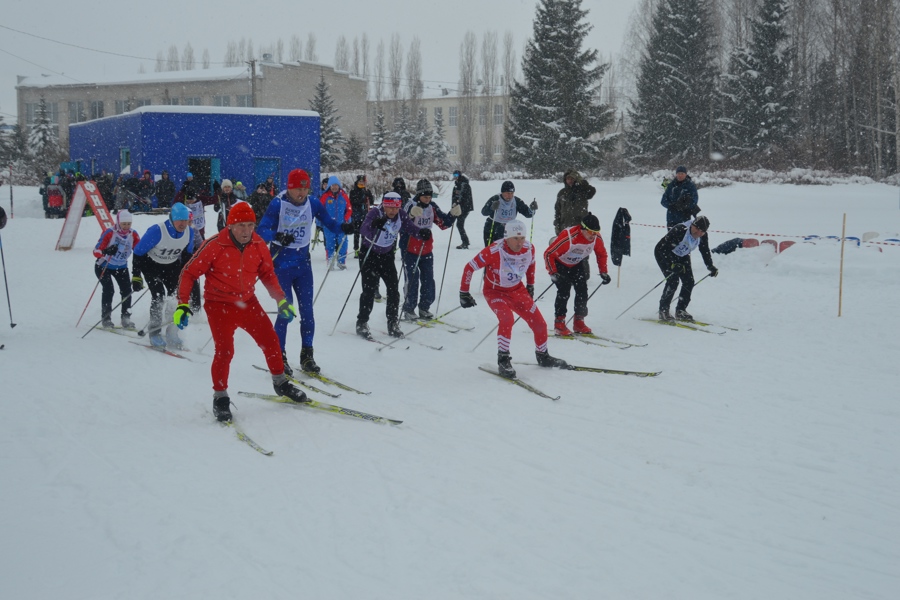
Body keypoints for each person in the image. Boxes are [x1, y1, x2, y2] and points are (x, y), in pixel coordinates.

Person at [174, 202, 307, 422]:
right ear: (231, 225)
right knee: (225, 351)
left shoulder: (258, 244)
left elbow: (267, 274)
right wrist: (182, 304)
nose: (246, 231)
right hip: (219, 305)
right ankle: (220, 397)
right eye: (241, 226)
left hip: (248, 302)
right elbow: (189, 273)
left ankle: (280, 383)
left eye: (250, 225)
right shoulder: (215, 245)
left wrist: (281, 301)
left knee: (271, 341)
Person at [257, 169, 355, 374]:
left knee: (307, 312)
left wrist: (343, 228)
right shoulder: (278, 203)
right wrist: (278, 236)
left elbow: (328, 222)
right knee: (286, 311)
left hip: (303, 266)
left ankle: (307, 355)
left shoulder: (313, 203)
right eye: (297, 189)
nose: (301, 193)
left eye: (305, 188)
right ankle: (279, 356)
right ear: (289, 187)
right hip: (281, 265)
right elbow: (261, 230)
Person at [460, 220, 568, 379]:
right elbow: (469, 267)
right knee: (507, 319)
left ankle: (543, 355)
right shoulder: (494, 250)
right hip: (495, 292)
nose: (519, 242)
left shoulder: (528, 248)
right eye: (515, 238)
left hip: (517, 290)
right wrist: (464, 293)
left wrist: (530, 285)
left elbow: (531, 265)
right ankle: (503, 359)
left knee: (539, 323)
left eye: (522, 238)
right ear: (506, 238)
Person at [355, 191, 427, 340]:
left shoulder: (401, 214)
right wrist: (375, 224)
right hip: (370, 254)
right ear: (384, 205)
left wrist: (422, 233)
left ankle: (392, 323)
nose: (393, 211)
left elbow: (410, 228)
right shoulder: (375, 212)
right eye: (390, 208)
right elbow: (363, 229)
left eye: (396, 207)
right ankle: (362, 322)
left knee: (393, 290)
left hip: (387, 256)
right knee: (369, 290)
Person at [131, 202, 196, 348]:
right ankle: (154, 332)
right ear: (172, 218)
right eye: (180, 220)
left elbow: (187, 255)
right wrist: (136, 276)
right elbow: (138, 253)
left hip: (171, 266)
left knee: (175, 297)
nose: (183, 224)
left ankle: (172, 332)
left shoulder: (189, 232)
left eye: (185, 220)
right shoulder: (157, 231)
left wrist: (188, 274)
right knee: (159, 296)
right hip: (151, 265)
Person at [400, 179, 460, 321]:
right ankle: (409, 308)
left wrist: (453, 214)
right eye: (425, 197)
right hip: (410, 249)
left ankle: (424, 307)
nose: (428, 199)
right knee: (412, 280)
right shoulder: (410, 205)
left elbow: (443, 223)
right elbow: (400, 224)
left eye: (430, 197)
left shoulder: (432, 206)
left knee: (428, 280)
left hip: (426, 249)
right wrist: (410, 216)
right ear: (419, 195)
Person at [544, 213, 611, 336]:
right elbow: (548, 254)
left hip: (576, 264)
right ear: (583, 229)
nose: (594, 235)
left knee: (582, 290)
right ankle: (559, 323)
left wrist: (603, 272)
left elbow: (601, 254)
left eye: (596, 232)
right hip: (560, 263)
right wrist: (553, 272)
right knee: (564, 291)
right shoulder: (569, 236)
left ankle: (579, 321)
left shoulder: (596, 238)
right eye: (591, 232)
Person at [654, 215, 718, 322]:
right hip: (663, 253)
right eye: (697, 229)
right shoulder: (680, 229)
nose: (698, 233)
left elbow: (705, 250)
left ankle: (681, 310)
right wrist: (673, 264)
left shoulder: (703, 235)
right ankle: (663, 310)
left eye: (702, 231)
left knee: (689, 281)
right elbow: (664, 248)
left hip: (682, 254)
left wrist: (710, 266)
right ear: (692, 225)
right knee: (673, 280)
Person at [92, 210, 141, 329]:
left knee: (127, 291)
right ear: (118, 222)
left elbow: (139, 250)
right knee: (109, 290)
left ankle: (126, 318)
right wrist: (106, 251)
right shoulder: (109, 233)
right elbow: (96, 251)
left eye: (129, 224)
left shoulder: (133, 234)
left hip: (121, 266)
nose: (126, 227)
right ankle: (106, 319)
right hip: (104, 266)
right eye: (124, 224)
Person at [480, 181, 537, 247]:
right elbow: (484, 212)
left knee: (507, 251)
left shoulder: (516, 201)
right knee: (492, 251)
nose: (509, 196)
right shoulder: (495, 198)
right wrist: (491, 207)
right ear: (502, 192)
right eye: (507, 193)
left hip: (509, 228)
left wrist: (532, 209)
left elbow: (528, 214)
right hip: (493, 226)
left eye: (511, 193)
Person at [318, 175, 352, 269]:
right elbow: (319, 210)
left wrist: (346, 219)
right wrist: (320, 222)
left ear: (339, 186)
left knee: (343, 243)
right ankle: (330, 261)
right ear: (329, 186)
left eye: (336, 185)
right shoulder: (325, 196)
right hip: (329, 225)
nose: (334, 187)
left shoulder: (344, 196)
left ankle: (341, 261)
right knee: (330, 243)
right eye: (332, 185)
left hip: (341, 225)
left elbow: (349, 209)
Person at [553, 169, 596, 235]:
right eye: (568, 179)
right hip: (564, 226)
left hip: (580, 227)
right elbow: (557, 209)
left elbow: (592, 192)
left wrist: (584, 185)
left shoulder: (582, 191)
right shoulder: (562, 193)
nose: (570, 181)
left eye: (572, 178)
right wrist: (557, 223)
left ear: (576, 179)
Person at [348, 174, 374, 256]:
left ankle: (363, 249)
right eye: (360, 181)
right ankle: (356, 249)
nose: (361, 183)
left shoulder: (366, 191)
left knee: (364, 233)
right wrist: (361, 201)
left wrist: (368, 195)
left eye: (363, 181)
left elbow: (371, 202)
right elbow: (352, 201)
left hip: (365, 215)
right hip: (356, 215)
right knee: (356, 233)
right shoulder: (353, 191)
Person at [451, 170, 474, 249]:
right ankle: (465, 241)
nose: (455, 176)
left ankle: (465, 242)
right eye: (454, 175)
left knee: (459, 224)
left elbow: (463, 197)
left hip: (464, 208)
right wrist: (454, 205)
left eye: (456, 174)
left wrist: (458, 203)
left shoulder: (464, 184)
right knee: (459, 225)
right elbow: (454, 197)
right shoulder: (457, 184)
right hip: (459, 208)